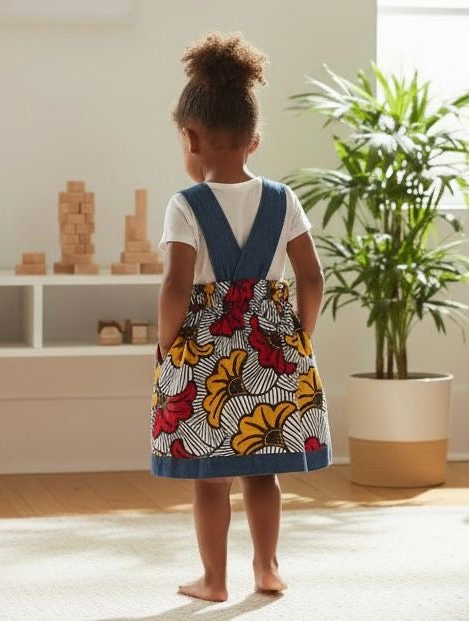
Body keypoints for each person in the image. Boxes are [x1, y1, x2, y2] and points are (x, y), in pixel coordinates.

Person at [150, 32, 332, 603]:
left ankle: (214, 579)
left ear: (190, 137)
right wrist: (298, 337)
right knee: (263, 468)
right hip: (273, 348)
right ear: (254, 140)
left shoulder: (185, 205)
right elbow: (312, 278)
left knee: (210, 477)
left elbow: (177, 285)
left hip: (207, 355)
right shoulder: (284, 199)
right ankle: (268, 568)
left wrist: (166, 343)